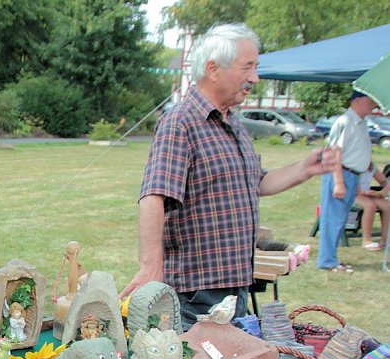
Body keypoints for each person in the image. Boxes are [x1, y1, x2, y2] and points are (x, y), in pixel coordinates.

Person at [119, 23, 339, 331]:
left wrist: (304, 169)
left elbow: (257, 182)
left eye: (256, 67)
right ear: (213, 69)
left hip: (235, 284)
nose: (255, 78)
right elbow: (154, 196)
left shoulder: (233, 123)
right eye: (247, 67)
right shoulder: (181, 122)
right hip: (196, 293)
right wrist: (150, 268)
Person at [317, 91, 386, 270]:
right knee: (333, 217)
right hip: (340, 174)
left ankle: (331, 259)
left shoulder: (361, 123)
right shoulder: (345, 122)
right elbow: (334, 152)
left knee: (341, 219)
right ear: (357, 100)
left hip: (353, 175)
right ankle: (327, 261)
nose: (374, 105)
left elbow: (357, 154)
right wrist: (339, 182)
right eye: (370, 101)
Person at [355, 164, 390, 251]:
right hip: (352, 194)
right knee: (370, 206)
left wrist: (383, 191)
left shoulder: (371, 167)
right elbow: (349, 184)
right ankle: (366, 241)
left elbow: (384, 182)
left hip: (367, 194)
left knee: (387, 205)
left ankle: (385, 240)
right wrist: (364, 192)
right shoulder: (353, 166)